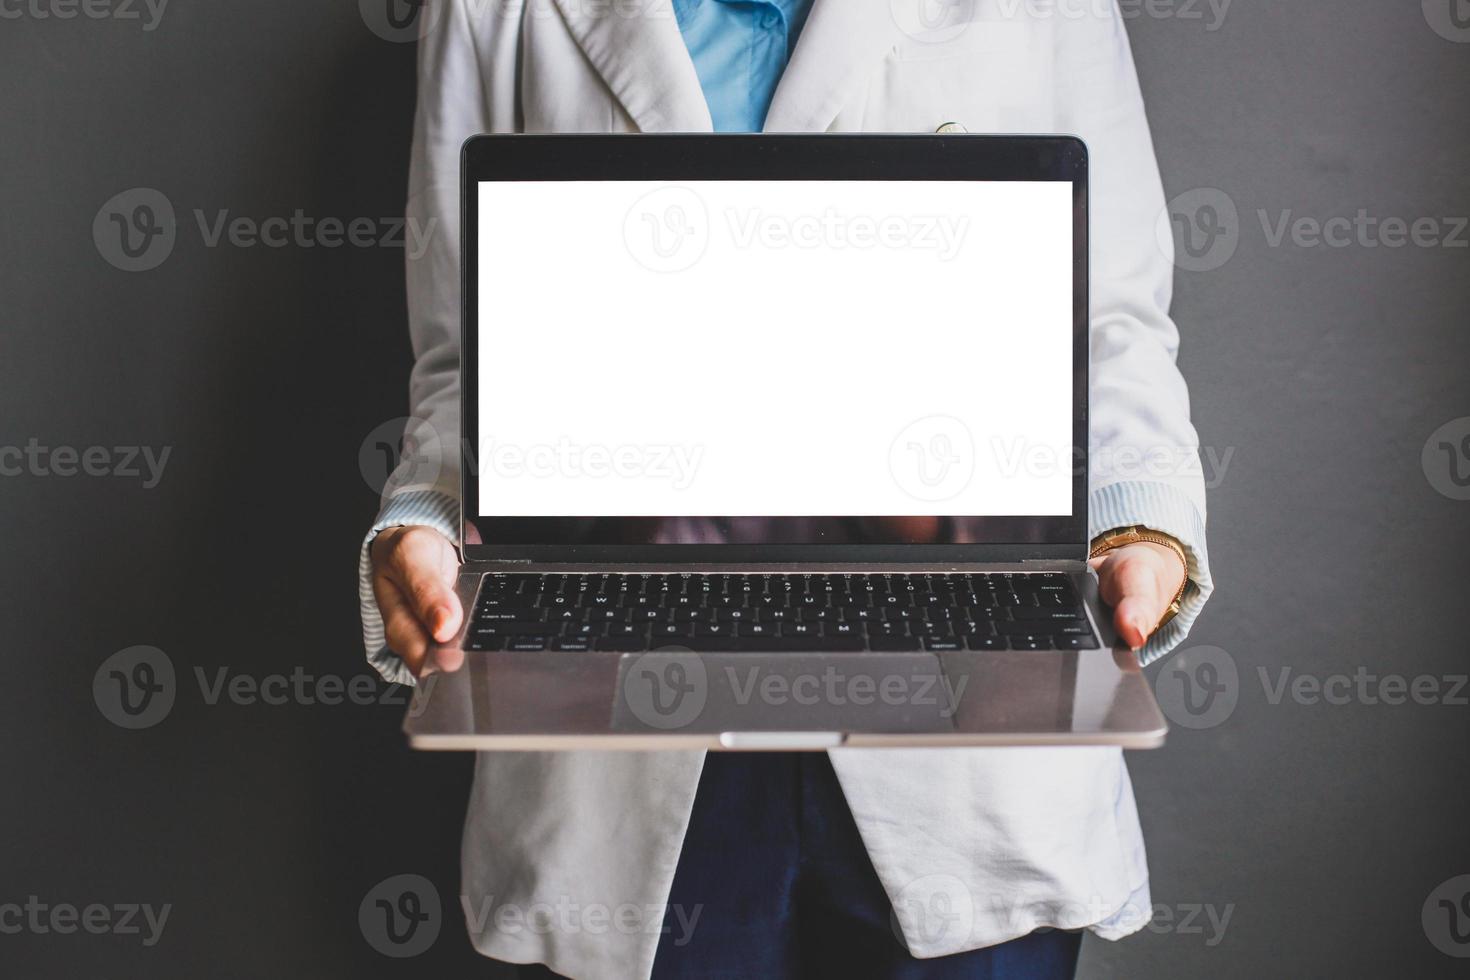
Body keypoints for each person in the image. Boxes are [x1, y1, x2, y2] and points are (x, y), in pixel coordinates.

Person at [361, 1, 1215, 977]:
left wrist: (1136, 522)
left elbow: (1111, 319)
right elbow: (467, 361)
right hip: (620, 714)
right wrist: (427, 519)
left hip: (959, 713)